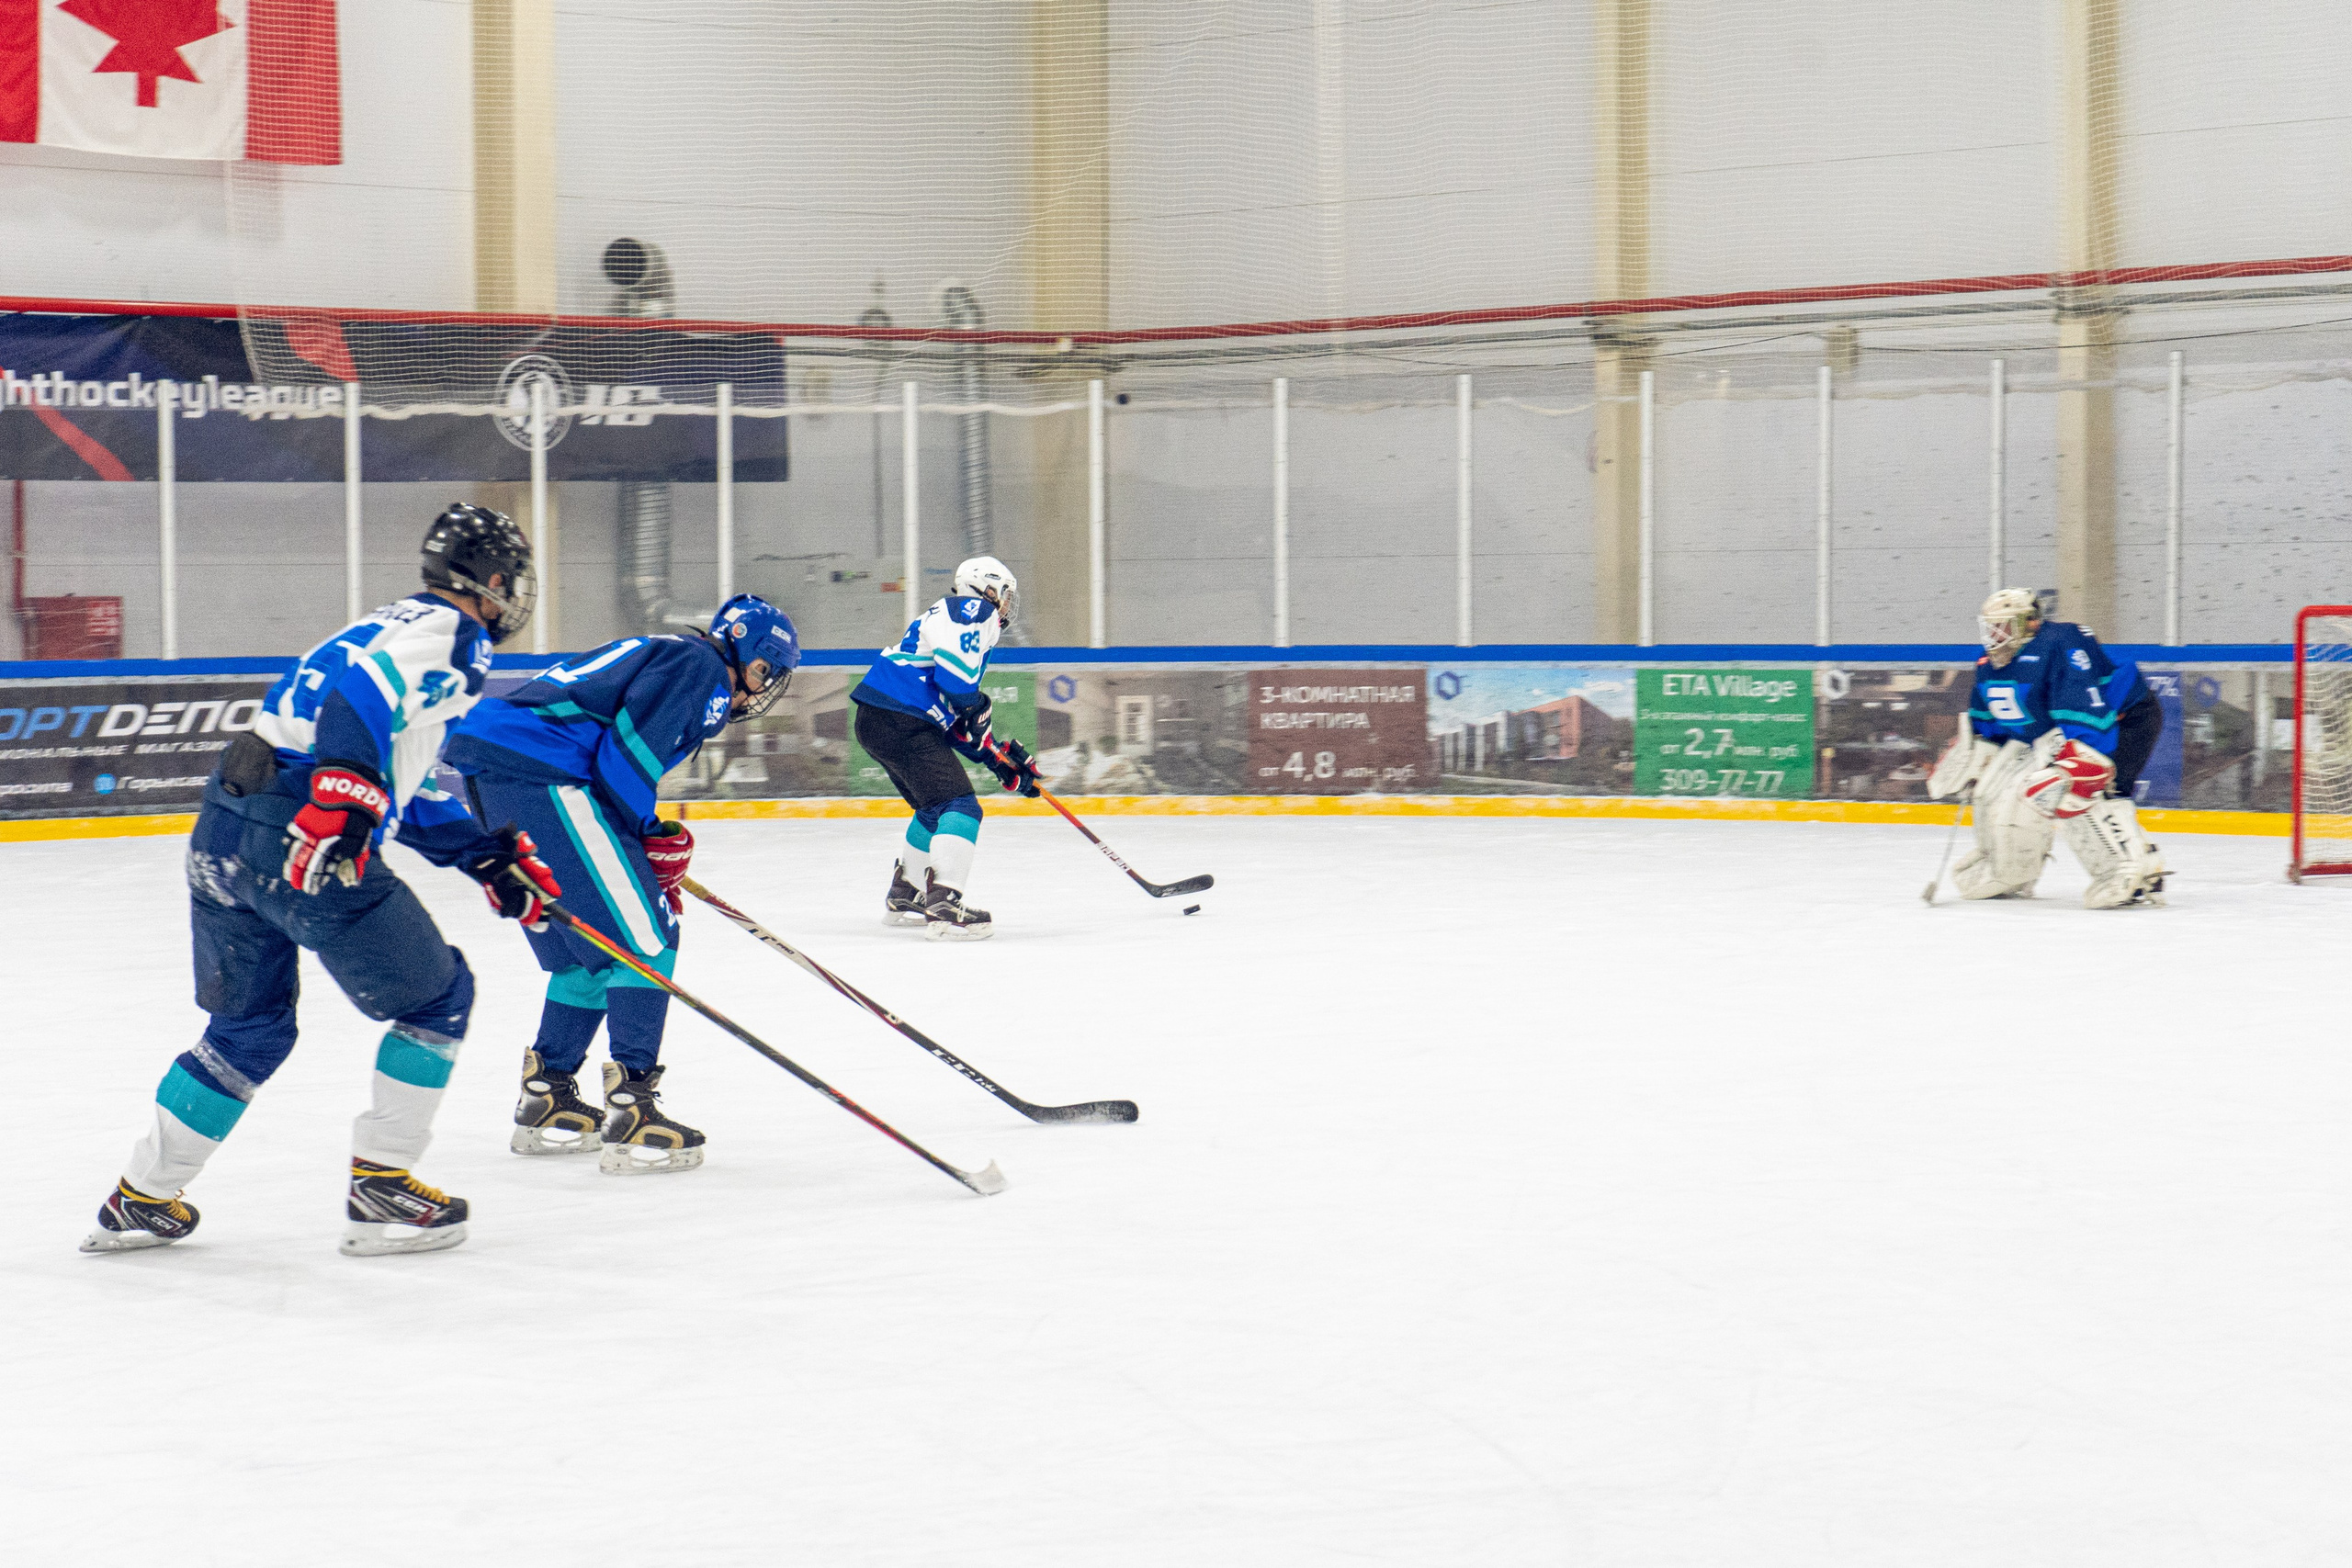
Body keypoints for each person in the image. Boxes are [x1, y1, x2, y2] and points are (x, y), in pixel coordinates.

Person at [84, 503, 561, 1258]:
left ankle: (141, 1195)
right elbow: (358, 708)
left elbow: (389, 766)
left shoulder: (383, 622)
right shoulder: (456, 637)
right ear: (493, 580)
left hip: (224, 826)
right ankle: (382, 1185)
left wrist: (478, 852)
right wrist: (345, 793)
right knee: (440, 998)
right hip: (301, 835)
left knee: (247, 1031)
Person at [445, 593, 800, 1173]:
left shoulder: (675, 655)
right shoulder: (702, 668)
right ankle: (633, 1105)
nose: (759, 689)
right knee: (650, 936)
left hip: (502, 773)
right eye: (763, 671)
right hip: (543, 773)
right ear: (739, 649)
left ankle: (548, 1093)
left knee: (587, 952)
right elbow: (624, 763)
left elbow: (614, 757)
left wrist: (643, 842)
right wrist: (650, 834)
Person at [1928, 587, 2168, 908]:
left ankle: (2127, 868)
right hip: (2055, 732)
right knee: (1996, 790)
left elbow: (2085, 712)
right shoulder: (1988, 664)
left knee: (2076, 784)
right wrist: (1976, 750)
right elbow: (1992, 722)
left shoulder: (2060, 643)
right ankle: (2009, 869)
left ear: (2030, 623)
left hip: (2125, 720)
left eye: (2004, 626)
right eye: (1990, 628)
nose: (1995, 636)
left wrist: (2080, 762)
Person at [848, 555, 1041, 941]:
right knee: (961, 808)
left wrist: (998, 761)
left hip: (881, 719)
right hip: (901, 717)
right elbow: (958, 687)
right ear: (986, 589)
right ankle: (946, 904)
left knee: (933, 809)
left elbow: (956, 721)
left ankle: (908, 893)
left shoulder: (950, 621)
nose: (1004, 605)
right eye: (1003, 594)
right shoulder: (972, 610)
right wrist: (976, 706)